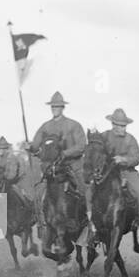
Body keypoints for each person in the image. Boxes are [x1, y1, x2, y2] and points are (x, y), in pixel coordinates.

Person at [26, 91, 88, 243]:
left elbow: (81, 146)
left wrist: (65, 153)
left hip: (72, 166)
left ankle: (89, 225)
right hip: (51, 170)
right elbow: (36, 145)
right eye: (53, 106)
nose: (55, 108)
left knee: (85, 191)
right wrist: (31, 147)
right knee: (38, 194)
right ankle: (43, 224)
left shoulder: (74, 125)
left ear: (62, 107)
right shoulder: (45, 127)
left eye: (58, 106)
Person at [97, 109, 139, 252]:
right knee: (90, 192)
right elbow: (95, 151)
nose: (122, 128)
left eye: (124, 125)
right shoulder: (103, 137)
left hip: (127, 172)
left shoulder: (130, 139)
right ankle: (89, 227)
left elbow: (137, 158)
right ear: (113, 124)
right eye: (119, 125)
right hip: (107, 173)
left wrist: (123, 159)